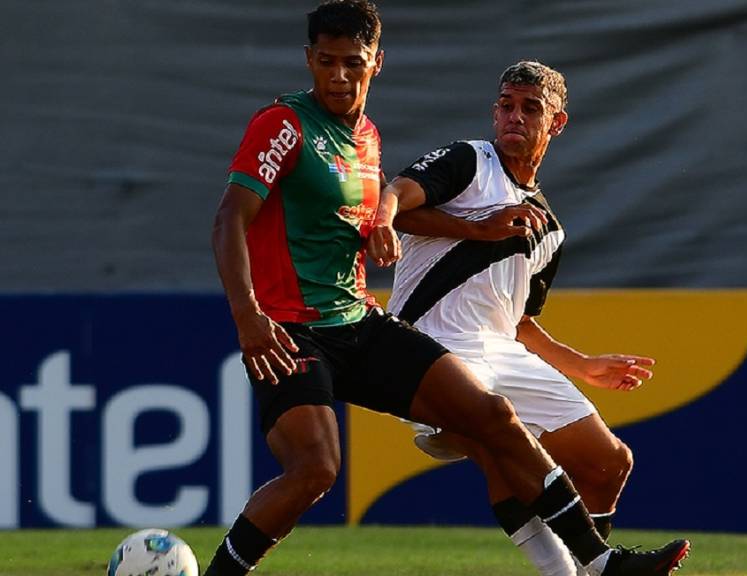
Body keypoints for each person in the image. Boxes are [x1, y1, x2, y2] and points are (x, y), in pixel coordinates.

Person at [206, 1, 689, 574]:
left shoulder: (365, 138)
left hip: (358, 320)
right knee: (315, 470)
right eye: (327, 62)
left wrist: (579, 362)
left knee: (494, 418)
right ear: (309, 59)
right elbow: (230, 218)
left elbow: (382, 220)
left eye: (352, 64)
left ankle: (597, 564)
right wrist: (249, 316)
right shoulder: (284, 125)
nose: (339, 76)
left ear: (375, 64)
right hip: (292, 328)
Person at [381, 60, 674, 575]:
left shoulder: (551, 231)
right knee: (503, 440)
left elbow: (517, 321)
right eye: (506, 106)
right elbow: (395, 202)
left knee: (609, 463)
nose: (514, 117)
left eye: (530, 108)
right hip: (430, 344)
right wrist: (475, 228)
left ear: (557, 123)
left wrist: (582, 365)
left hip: (499, 350)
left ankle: (587, 568)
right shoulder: (470, 161)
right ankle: (588, 567)